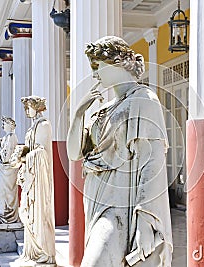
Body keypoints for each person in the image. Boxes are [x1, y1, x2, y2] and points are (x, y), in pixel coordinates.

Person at [67, 36, 173, 267]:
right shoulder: (102, 109)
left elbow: (152, 164)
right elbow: (75, 153)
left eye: (97, 67)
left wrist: (146, 217)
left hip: (124, 201)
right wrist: (77, 114)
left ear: (117, 63)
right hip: (97, 196)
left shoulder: (144, 101)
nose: (94, 75)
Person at [15, 96, 56, 264]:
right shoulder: (32, 127)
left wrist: (24, 156)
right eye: (25, 108)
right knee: (27, 211)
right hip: (31, 177)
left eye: (28, 107)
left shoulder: (44, 125)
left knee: (39, 212)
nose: (26, 111)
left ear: (37, 107)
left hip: (39, 178)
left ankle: (43, 252)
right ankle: (32, 251)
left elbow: (42, 153)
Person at [0, 117, 20, 224]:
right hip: (4, 169)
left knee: (7, 192)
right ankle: (3, 214)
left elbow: (7, 155)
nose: (3, 126)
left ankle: (8, 215)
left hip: (8, 170)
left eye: (4, 123)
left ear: (10, 125)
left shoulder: (11, 137)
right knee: (2, 193)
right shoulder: (6, 137)